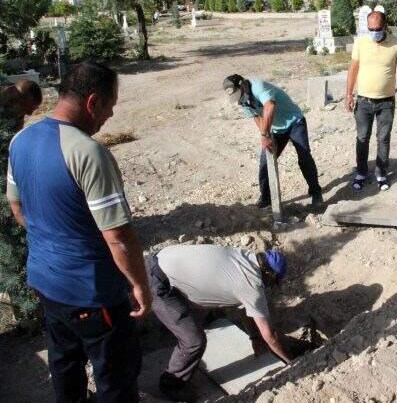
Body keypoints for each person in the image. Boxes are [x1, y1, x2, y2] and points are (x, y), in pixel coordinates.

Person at [6, 62, 152, 402]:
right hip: (93, 294)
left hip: (46, 284)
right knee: (116, 378)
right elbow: (118, 237)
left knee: (66, 368)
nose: (110, 115)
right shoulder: (89, 153)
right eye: (110, 105)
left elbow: (18, 210)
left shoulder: (21, 140)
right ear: (92, 102)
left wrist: (55, 240)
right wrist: (141, 286)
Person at [146, 245, 293, 401]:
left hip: (157, 261)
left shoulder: (244, 256)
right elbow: (270, 337)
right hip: (158, 283)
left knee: (206, 309)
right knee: (194, 341)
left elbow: (244, 309)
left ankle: (176, 323)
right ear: (269, 274)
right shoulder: (252, 285)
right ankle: (171, 384)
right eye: (273, 281)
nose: (270, 286)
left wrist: (254, 338)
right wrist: (292, 362)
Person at [223, 74, 322, 208]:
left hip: (294, 121)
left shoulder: (258, 86)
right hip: (275, 129)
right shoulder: (243, 100)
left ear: (241, 86)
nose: (237, 98)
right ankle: (266, 197)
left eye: (237, 93)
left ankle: (316, 192)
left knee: (304, 156)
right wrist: (266, 135)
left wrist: (264, 135)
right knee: (265, 162)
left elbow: (270, 106)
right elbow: (257, 116)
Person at [345, 11, 397, 191]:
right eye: (370, 29)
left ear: (385, 26)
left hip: (386, 102)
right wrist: (349, 94)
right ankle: (361, 172)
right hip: (364, 100)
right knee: (362, 137)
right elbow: (353, 69)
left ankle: (381, 173)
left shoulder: (396, 43)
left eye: (378, 29)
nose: (374, 32)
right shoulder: (361, 42)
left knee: (383, 138)